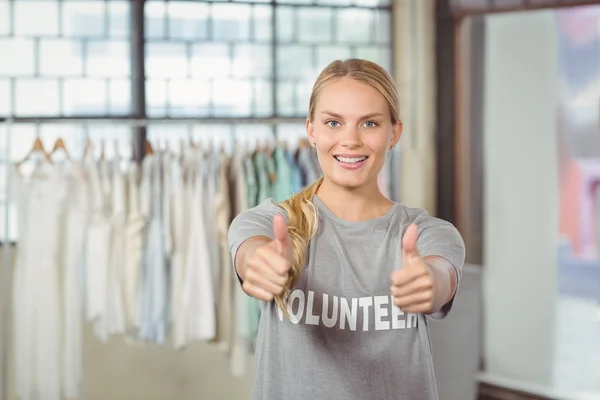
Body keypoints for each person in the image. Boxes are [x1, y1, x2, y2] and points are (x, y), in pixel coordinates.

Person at [228, 59, 466, 400]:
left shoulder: (429, 233)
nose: (350, 140)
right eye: (333, 123)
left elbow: (441, 273)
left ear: (394, 132)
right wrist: (258, 263)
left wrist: (432, 281)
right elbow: (249, 248)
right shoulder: (268, 222)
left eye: (369, 123)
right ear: (312, 130)